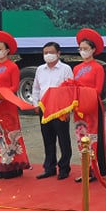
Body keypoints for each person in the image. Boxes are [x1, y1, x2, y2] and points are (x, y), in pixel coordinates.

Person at [0, 31, 31, 179]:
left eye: (0, 49)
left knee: (10, 135)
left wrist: (1, 94)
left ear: (7, 50)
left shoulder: (12, 67)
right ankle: (2, 166)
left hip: (8, 104)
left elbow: (15, 87)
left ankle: (15, 166)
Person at [31, 41, 74, 180]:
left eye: (51, 52)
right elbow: (36, 88)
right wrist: (35, 103)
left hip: (60, 109)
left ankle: (64, 168)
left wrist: (67, 109)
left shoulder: (65, 68)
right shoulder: (40, 69)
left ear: (58, 53)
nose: (48, 55)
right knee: (47, 138)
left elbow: (70, 89)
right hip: (44, 107)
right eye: (45, 53)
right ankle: (49, 167)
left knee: (63, 139)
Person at [72, 28, 106, 181]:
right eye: (80, 49)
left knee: (93, 137)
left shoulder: (98, 67)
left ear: (93, 50)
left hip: (93, 107)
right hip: (78, 109)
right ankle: (85, 169)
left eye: (86, 48)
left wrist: (83, 92)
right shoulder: (76, 68)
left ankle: (95, 169)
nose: (83, 51)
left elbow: (98, 90)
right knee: (81, 137)